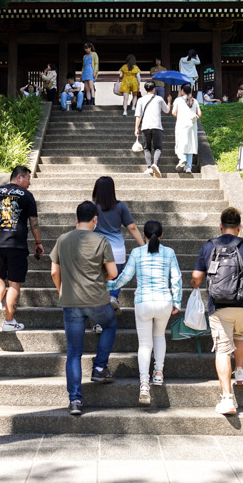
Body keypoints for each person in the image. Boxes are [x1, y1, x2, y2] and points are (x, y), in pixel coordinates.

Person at [190, 207, 243, 415]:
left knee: (223, 348)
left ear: (221, 226)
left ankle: (227, 399)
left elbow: (197, 277)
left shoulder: (209, 247)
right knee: (239, 334)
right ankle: (241, 373)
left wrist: (195, 283)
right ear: (239, 227)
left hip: (219, 306)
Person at [50, 201, 119, 416]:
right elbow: (114, 273)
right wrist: (101, 279)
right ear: (95, 219)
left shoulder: (62, 239)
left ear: (76, 218)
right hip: (97, 300)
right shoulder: (101, 240)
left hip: (71, 303)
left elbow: (54, 272)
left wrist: (62, 290)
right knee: (109, 324)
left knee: (74, 353)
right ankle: (99, 367)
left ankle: (75, 401)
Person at [107, 220, 182, 405]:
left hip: (143, 302)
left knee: (145, 344)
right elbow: (177, 277)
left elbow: (124, 277)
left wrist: (109, 285)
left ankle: (144, 385)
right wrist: (177, 300)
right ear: (162, 235)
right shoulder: (169, 252)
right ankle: (158, 373)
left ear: (145, 235)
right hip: (164, 301)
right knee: (159, 336)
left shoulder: (137, 252)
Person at [0, 165, 43, 333]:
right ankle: (9, 321)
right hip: (17, 244)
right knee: (14, 282)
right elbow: (34, 222)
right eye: (28, 179)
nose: (29, 183)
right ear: (20, 177)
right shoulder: (27, 196)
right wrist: (38, 242)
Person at [92, 176, 145, 314]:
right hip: (116, 249)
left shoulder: (91, 206)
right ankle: (113, 296)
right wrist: (143, 246)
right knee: (117, 276)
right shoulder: (120, 206)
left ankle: (99, 309)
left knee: (99, 278)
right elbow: (132, 227)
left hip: (97, 248)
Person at [134, 81, 171, 178]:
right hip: (157, 126)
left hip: (145, 127)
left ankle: (149, 167)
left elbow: (138, 115)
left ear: (145, 89)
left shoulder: (140, 100)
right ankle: (155, 164)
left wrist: (136, 128)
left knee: (147, 148)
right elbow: (167, 110)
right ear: (154, 89)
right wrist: (170, 101)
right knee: (158, 147)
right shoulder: (159, 99)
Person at [172, 83, 200, 173]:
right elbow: (199, 114)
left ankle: (182, 158)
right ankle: (188, 167)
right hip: (192, 124)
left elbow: (174, 113)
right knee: (190, 144)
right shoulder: (194, 101)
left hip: (181, 124)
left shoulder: (178, 100)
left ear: (182, 91)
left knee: (180, 142)